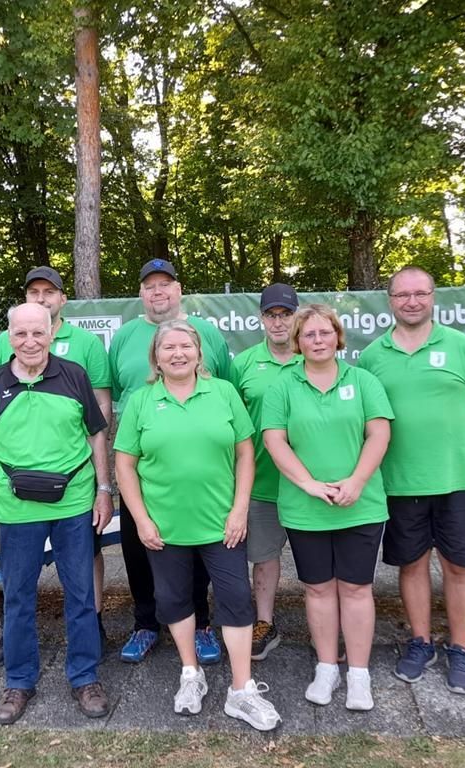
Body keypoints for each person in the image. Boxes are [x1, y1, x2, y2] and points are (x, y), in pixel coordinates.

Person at [114, 319, 281, 731]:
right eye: (168, 347)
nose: (178, 353)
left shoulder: (223, 393)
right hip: (164, 528)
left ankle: (241, 690)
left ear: (199, 353)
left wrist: (239, 509)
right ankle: (191, 674)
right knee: (173, 600)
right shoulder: (141, 400)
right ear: (155, 357)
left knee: (236, 599)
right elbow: (125, 465)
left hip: (222, 525)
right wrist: (141, 520)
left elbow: (246, 454)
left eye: (185, 346)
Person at [0, 303, 113, 724]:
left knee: (81, 594)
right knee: (17, 596)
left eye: (37, 333)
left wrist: (104, 491)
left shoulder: (74, 376)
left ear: (51, 334)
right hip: (15, 508)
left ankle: (84, 677)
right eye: (20, 334)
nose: (29, 342)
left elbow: (96, 435)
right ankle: (19, 681)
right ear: (8, 337)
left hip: (73, 503)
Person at [358, 266, 465, 695]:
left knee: (458, 567)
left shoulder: (463, 347)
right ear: (390, 301)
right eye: (402, 295)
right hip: (401, 481)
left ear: (433, 297)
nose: (412, 301)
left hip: (459, 479)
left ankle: (460, 648)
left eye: (420, 293)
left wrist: (447, 439)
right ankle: (420, 642)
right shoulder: (373, 356)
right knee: (412, 565)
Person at [262, 304, 393, 711]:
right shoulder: (282, 386)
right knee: (318, 588)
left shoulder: (364, 381)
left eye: (325, 332)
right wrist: (308, 484)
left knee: (356, 588)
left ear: (338, 337)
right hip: (306, 507)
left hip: (360, 504)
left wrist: (356, 481)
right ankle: (326, 667)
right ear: (297, 342)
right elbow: (274, 440)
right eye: (309, 334)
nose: (317, 340)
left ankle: (359, 674)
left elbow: (379, 434)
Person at [108, 258, 230, 664]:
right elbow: (117, 393)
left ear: (179, 290)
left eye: (165, 284)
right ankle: (145, 623)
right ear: (141, 293)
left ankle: (202, 624)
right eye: (150, 286)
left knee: (196, 549)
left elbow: (225, 388)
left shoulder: (207, 333)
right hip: (143, 464)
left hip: (198, 468)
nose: (158, 291)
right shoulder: (124, 337)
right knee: (138, 546)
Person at [230, 284, 301, 661]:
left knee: (321, 563)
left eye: (286, 314)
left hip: (310, 483)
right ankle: (264, 622)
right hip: (261, 482)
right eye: (271, 315)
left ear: (297, 317)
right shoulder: (243, 364)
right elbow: (229, 422)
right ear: (261, 319)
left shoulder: (314, 357)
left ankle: (328, 624)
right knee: (264, 556)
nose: (279, 322)